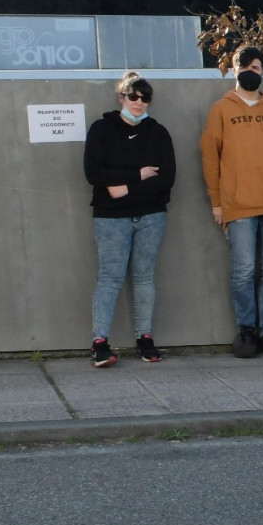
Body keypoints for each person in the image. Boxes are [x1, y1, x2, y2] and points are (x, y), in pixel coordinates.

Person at [200, 45, 263, 359]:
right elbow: (210, 158)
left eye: (257, 67)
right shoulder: (221, 109)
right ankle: (247, 331)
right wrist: (217, 202)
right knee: (243, 272)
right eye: (246, 66)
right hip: (238, 205)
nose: (251, 72)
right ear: (234, 69)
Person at [83, 72, 176, 366]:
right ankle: (100, 343)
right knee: (110, 277)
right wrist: (139, 174)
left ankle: (144, 338)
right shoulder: (102, 129)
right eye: (133, 96)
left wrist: (123, 188)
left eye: (145, 97)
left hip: (151, 215)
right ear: (121, 97)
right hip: (111, 218)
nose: (139, 102)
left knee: (145, 277)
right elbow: (94, 174)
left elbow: (167, 178)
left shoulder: (157, 132)